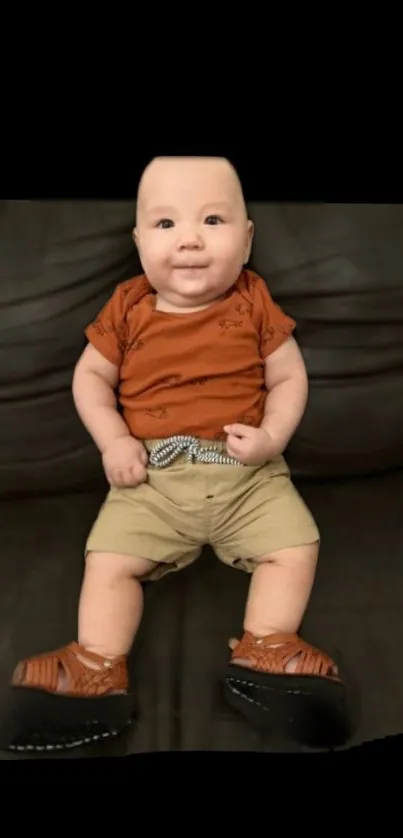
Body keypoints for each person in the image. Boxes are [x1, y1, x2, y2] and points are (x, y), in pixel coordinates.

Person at [5, 156, 349, 752]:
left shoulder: (253, 298)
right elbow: (89, 379)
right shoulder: (128, 307)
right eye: (165, 225)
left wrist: (271, 438)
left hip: (249, 475)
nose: (189, 238)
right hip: (151, 480)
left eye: (212, 219)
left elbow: (289, 377)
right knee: (108, 563)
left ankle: (267, 647)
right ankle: (98, 664)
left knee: (297, 547)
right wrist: (113, 441)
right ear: (138, 241)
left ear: (246, 240)